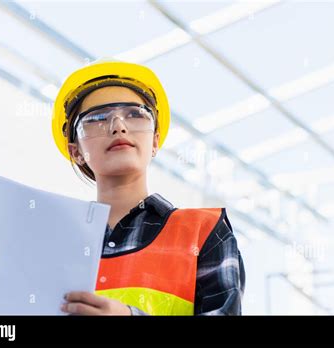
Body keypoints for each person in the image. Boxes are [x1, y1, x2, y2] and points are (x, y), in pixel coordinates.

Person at [51, 59, 245, 315]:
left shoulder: (203, 231)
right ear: (75, 151)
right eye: (97, 118)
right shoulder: (54, 242)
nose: (118, 126)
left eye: (135, 114)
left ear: (155, 141)